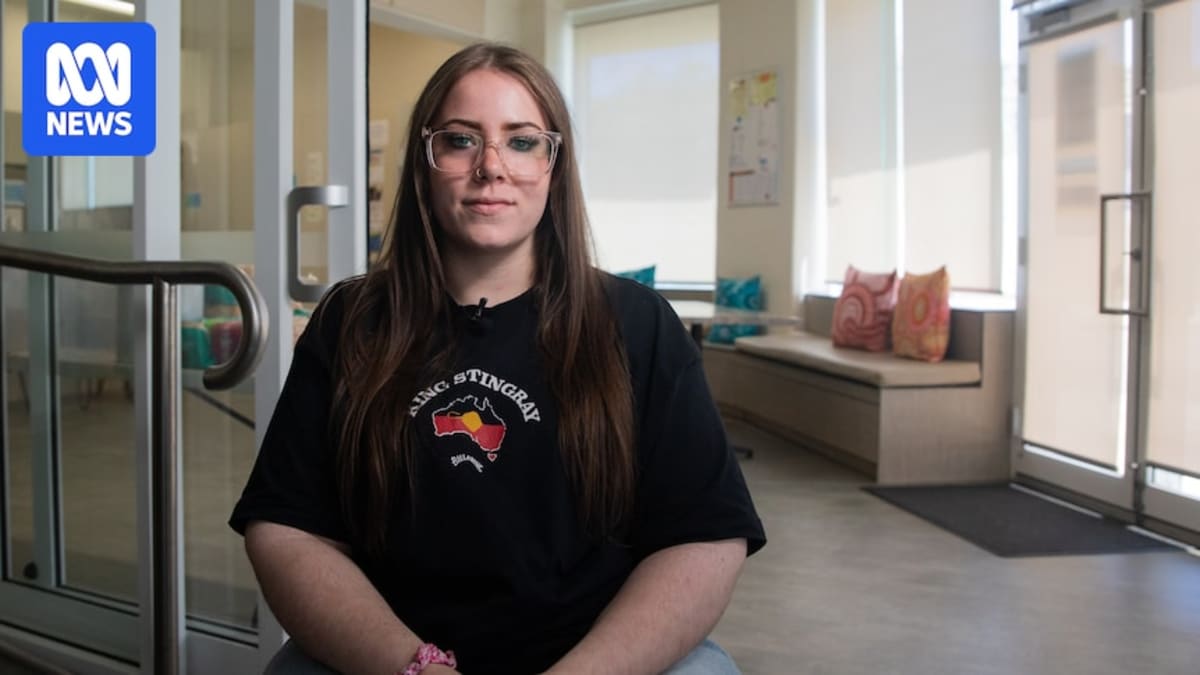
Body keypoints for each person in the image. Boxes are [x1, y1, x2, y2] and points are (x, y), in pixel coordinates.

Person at [229, 42, 766, 675]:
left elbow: (703, 539)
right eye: (460, 140)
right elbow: (287, 529)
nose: (491, 167)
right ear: (425, 163)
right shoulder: (352, 323)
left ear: (553, 165)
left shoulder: (639, 325)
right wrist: (414, 667)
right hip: (396, 658)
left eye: (521, 141)